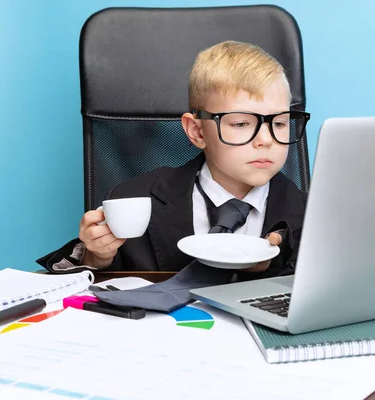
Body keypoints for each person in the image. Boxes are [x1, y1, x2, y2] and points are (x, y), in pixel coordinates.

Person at [37, 40, 310, 285]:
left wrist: (275, 264)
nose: (266, 139)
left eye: (279, 122)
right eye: (240, 123)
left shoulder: (314, 215)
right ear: (197, 131)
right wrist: (97, 257)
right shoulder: (133, 198)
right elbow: (85, 291)